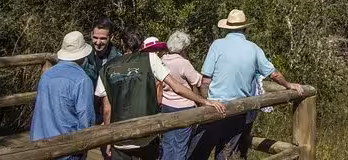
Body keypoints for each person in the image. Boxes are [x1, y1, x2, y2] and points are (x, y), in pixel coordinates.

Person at [96, 29, 226, 160]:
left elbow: (107, 109)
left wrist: (108, 139)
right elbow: (177, 87)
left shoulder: (106, 68)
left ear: (122, 44)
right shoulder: (150, 59)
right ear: (141, 44)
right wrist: (205, 101)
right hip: (146, 133)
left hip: (120, 137)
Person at [191, 9, 303, 160]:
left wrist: (206, 102)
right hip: (238, 109)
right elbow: (273, 73)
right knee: (226, 154)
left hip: (215, 108)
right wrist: (288, 84)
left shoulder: (217, 45)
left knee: (197, 153)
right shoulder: (254, 48)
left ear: (226, 28)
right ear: (245, 28)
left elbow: (205, 80)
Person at [30, 31, 95, 160]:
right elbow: (85, 120)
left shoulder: (47, 75)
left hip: (39, 143)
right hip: (67, 149)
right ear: (83, 55)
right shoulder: (82, 80)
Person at [159, 31, 204, 160]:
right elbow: (197, 80)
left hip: (166, 105)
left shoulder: (163, 59)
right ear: (184, 48)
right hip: (184, 107)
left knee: (167, 143)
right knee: (180, 145)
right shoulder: (183, 63)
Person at [82, 17, 121, 160]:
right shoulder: (83, 56)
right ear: (91, 35)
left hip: (108, 113)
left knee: (108, 153)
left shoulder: (117, 59)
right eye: (95, 37)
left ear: (111, 37)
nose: (98, 42)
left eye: (103, 38)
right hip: (87, 110)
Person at [141, 36, 168, 105]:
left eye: (158, 49)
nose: (157, 52)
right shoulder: (144, 66)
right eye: (153, 49)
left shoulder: (162, 64)